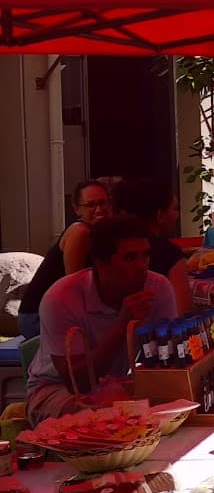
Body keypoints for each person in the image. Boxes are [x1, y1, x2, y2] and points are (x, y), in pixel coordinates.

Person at [26, 215, 177, 425]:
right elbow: (79, 382)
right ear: (101, 264)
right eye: (130, 258)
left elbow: (169, 360)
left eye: (146, 256)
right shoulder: (61, 298)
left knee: (171, 409)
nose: (142, 266)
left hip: (118, 385)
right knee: (106, 420)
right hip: (55, 389)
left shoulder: (158, 287)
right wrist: (122, 325)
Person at [18, 179, 111, 337]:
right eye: (91, 205)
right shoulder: (80, 232)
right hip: (37, 317)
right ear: (77, 209)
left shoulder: (102, 233)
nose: (99, 209)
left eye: (103, 203)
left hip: (61, 310)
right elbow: (75, 285)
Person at [113, 177, 192, 316]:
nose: (177, 215)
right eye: (174, 209)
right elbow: (182, 314)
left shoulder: (113, 245)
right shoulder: (170, 254)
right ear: (159, 215)